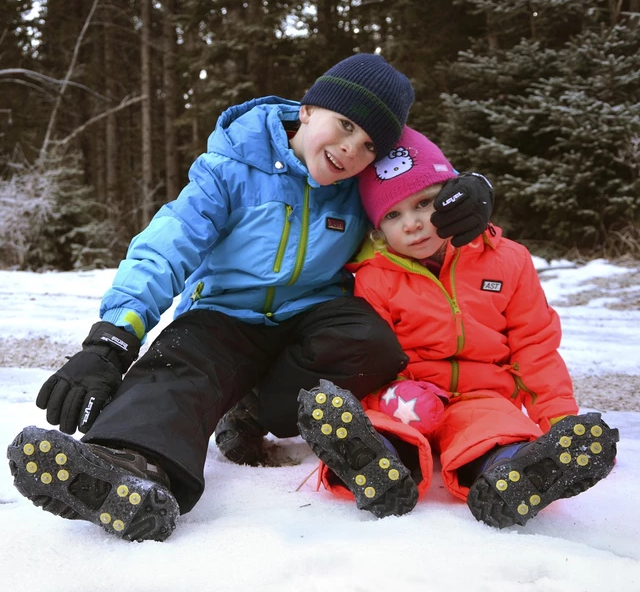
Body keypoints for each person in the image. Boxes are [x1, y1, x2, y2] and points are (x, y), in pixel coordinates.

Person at [6, 54, 494, 542]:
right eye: (343, 125)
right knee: (179, 369)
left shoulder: (359, 187)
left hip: (312, 312)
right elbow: (166, 245)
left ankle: (254, 413)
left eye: (368, 145)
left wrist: (468, 188)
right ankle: (129, 468)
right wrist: (112, 337)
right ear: (307, 109)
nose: (349, 150)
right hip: (224, 313)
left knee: (371, 343)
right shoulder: (230, 167)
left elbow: (418, 181)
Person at [297, 126, 619, 527]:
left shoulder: (506, 261)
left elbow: (534, 346)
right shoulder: (374, 276)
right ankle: (372, 463)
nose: (412, 224)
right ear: (377, 229)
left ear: (452, 199)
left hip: (482, 394)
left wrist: (559, 421)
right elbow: (366, 355)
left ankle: (516, 477)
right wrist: (376, 397)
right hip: (406, 393)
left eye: (424, 203)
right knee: (384, 425)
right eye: (393, 215)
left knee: (495, 431)